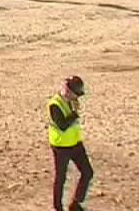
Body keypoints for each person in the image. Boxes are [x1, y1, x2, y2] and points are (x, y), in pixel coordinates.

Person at [48, 76, 94, 211]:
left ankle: (75, 204)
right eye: (76, 94)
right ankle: (58, 207)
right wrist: (74, 113)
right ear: (68, 91)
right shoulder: (55, 104)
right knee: (61, 177)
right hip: (61, 147)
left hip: (75, 143)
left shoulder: (71, 101)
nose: (77, 97)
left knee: (87, 172)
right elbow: (62, 125)